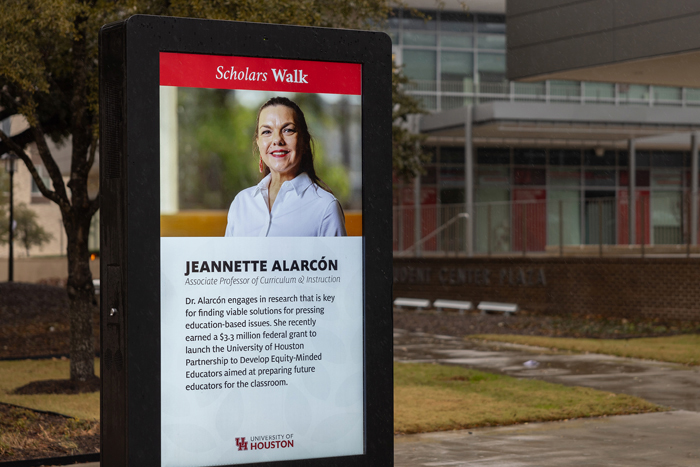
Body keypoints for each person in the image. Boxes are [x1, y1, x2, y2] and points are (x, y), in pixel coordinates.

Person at [224, 96, 347, 237]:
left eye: (288, 130)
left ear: (304, 141)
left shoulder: (326, 208)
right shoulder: (241, 203)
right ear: (258, 142)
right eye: (266, 132)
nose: (277, 140)